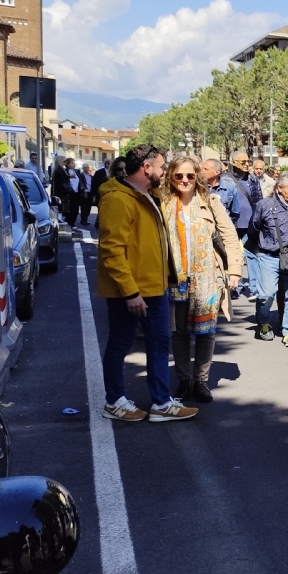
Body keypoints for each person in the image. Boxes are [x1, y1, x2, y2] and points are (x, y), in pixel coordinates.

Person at [96, 144, 199, 424]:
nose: (164, 171)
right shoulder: (118, 199)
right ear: (146, 168)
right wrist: (130, 292)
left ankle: (161, 403)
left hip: (155, 287)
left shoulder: (147, 195)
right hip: (131, 290)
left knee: (159, 343)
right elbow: (112, 250)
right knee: (120, 343)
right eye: (162, 166)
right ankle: (114, 401)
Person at [160, 156, 243, 402]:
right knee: (179, 331)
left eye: (190, 176)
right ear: (171, 177)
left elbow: (229, 235)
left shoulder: (210, 202)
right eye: (179, 176)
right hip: (175, 279)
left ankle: (201, 381)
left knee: (206, 331)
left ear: (198, 177)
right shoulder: (162, 203)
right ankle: (184, 380)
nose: (185, 180)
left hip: (207, 277)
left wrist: (235, 270)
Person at [249, 171, 288, 345]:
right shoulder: (264, 205)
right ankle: (263, 322)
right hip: (269, 256)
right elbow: (254, 227)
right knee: (266, 294)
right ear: (279, 188)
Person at [226, 152, 262, 299]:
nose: (247, 164)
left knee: (252, 255)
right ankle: (236, 286)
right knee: (234, 256)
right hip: (231, 225)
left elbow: (259, 201)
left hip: (250, 224)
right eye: (243, 162)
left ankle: (254, 288)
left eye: (248, 161)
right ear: (234, 162)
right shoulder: (226, 180)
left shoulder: (253, 179)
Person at [53, 157, 81, 227]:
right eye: (65, 162)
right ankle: (69, 222)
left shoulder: (76, 171)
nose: (65, 163)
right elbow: (61, 181)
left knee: (74, 209)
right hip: (66, 193)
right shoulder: (60, 170)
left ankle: (71, 222)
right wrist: (69, 177)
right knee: (68, 209)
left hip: (74, 192)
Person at [89, 160, 109, 227]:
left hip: (109, 193)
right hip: (100, 193)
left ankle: (100, 222)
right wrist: (94, 194)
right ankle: (98, 222)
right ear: (106, 164)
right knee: (101, 208)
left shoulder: (113, 172)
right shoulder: (99, 172)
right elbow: (95, 183)